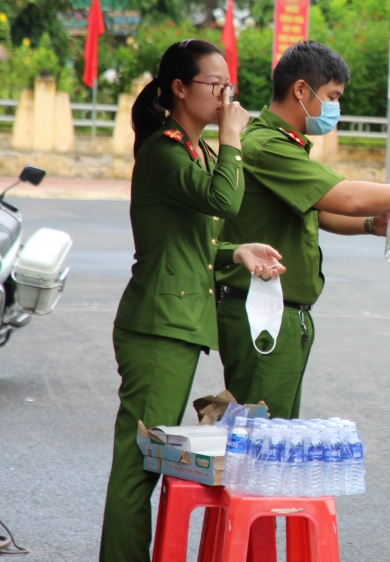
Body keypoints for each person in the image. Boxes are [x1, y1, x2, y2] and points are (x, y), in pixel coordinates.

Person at [100, 40, 287, 562]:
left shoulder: (195, 149)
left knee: (152, 463)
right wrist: (232, 142)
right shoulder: (163, 150)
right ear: (179, 89)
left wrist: (237, 250)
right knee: (138, 466)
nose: (227, 95)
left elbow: (196, 240)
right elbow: (224, 199)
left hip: (178, 324)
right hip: (157, 327)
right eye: (215, 85)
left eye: (229, 85)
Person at [215, 41, 390, 419]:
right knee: (260, 437)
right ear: (301, 90)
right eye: (332, 96)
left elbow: (319, 211)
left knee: (273, 430)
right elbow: (346, 197)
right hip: (264, 308)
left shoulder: (286, 145)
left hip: (280, 309)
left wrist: (372, 224)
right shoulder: (269, 147)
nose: (335, 107)